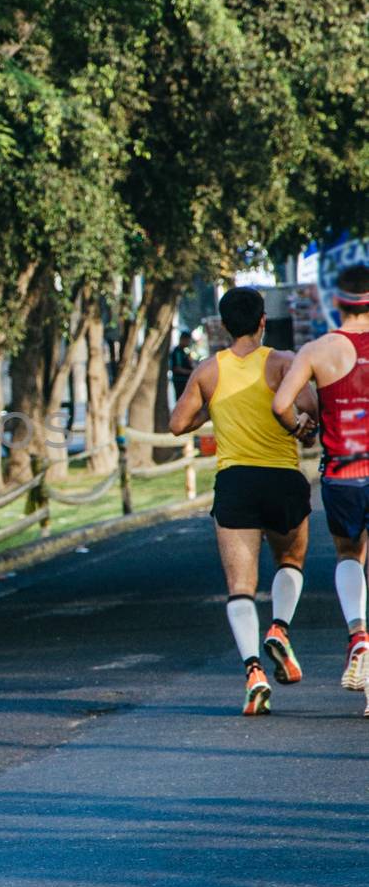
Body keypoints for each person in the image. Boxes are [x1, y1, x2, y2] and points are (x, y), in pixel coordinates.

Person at [169, 286, 316, 715]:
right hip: (281, 476)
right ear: (262, 321)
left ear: (222, 325)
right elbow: (309, 417)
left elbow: (177, 424)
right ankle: (281, 628)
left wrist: (215, 406)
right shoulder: (285, 363)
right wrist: (302, 426)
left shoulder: (208, 371)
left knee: (239, 586)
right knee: (291, 560)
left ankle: (253, 671)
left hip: (234, 481)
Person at [272, 263, 369, 706]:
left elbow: (281, 403)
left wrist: (302, 428)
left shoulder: (318, 349)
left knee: (350, 554)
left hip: (342, 473)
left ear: (337, 301)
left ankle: (358, 633)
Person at [170, 331, 196, 395]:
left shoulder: (185, 352)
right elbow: (177, 368)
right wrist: (191, 372)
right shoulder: (177, 352)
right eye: (187, 340)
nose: (188, 343)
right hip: (180, 381)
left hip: (185, 381)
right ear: (182, 339)